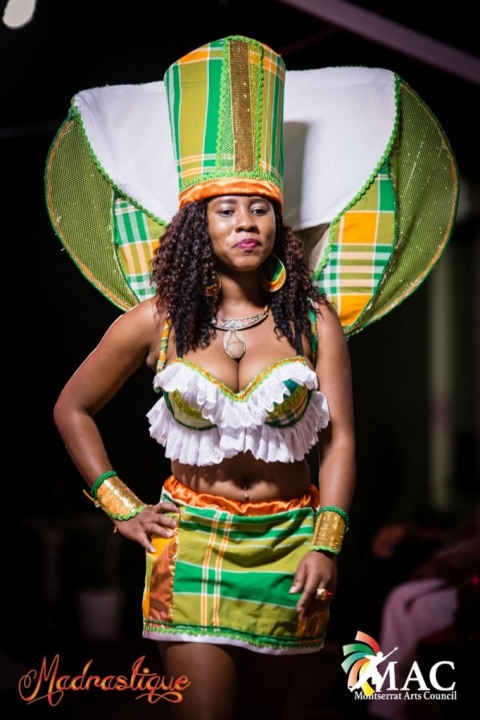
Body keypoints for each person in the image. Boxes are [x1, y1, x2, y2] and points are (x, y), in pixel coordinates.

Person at [47, 35, 458, 720]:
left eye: (260, 208)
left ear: (278, 221)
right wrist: (121, 508)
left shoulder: (313, 321)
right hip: (192, 544)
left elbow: (341, 443)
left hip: (291, 548)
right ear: (197, 226)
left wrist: (328, 544)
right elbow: (72, 408)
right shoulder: (157, 320)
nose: (246, 223)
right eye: (227, 209)